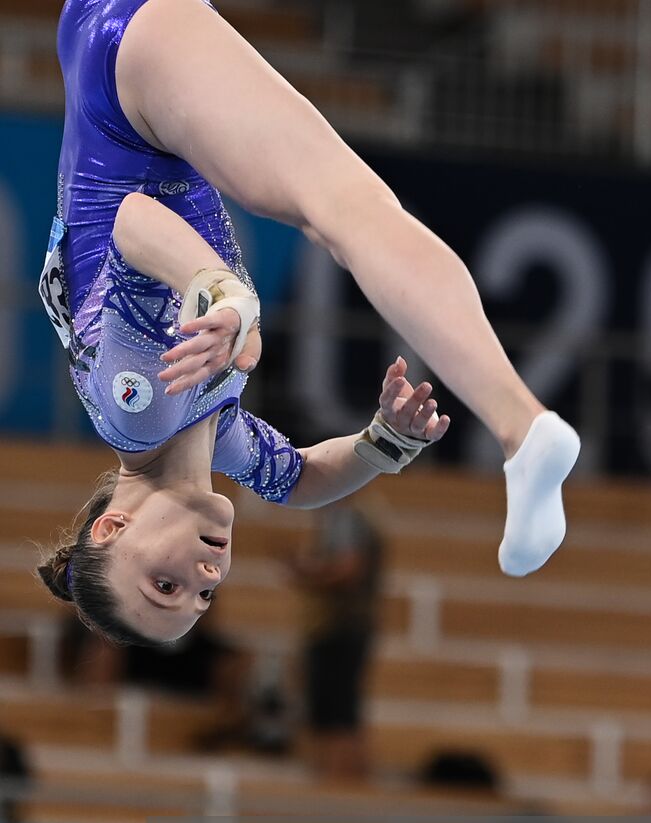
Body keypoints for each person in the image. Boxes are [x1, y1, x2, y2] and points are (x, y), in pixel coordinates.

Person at [38, 0, 579, 644]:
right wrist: (385, 445)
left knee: (340, 211)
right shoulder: (205, 434)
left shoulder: (137, 408)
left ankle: (521, 427)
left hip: (124, 82)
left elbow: (131, 221)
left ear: (112, 528)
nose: (207, 574)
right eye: (203, 595)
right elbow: (300, 481)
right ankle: (521, 428)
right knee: (343, 210)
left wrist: (222, 292)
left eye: (165, 584)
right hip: (131, 87)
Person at [290, 499, 383, 780]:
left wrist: (308, 573)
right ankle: (338, 779)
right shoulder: (363, 517)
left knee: (336, 714)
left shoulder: (344, 519)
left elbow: (349, 570)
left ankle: (338, 780)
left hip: (338, 624)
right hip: (345, 624)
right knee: (338, 712)